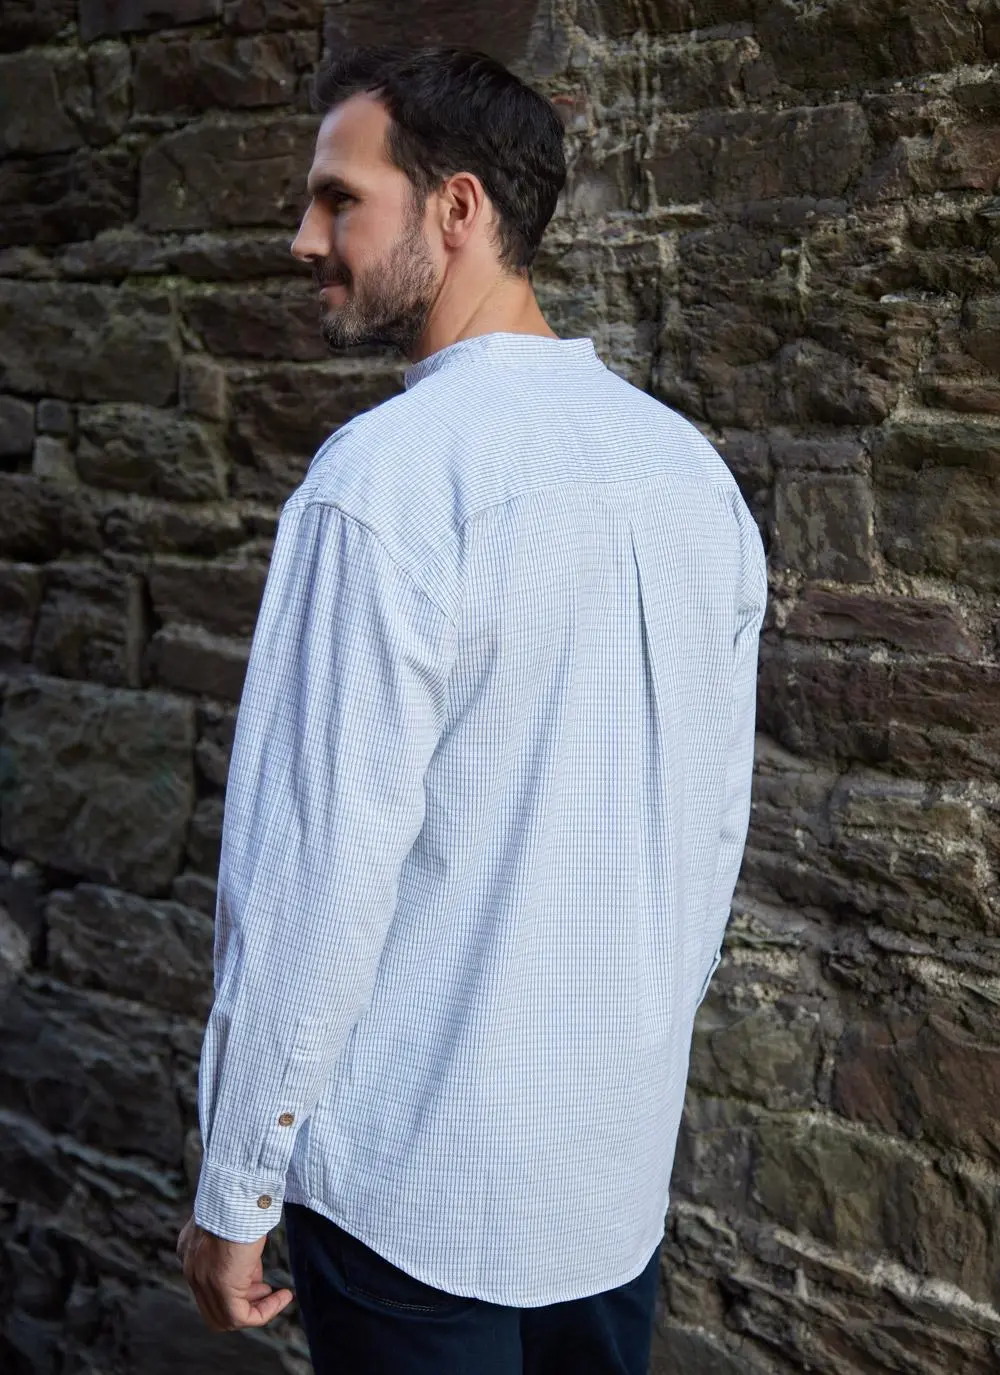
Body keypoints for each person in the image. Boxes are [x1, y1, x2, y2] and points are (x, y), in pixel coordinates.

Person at [176, 43, 768, 1375]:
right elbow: (712, 834)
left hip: (413, 1197)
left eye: (340, 198)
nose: (303, 237)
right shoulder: (692, 475)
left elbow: (314, 875)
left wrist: (236, 1185)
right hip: (606, 1186)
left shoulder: (382, 482)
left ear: (457, 208)